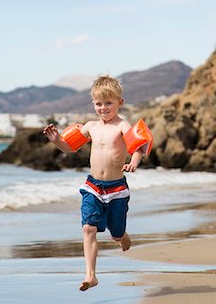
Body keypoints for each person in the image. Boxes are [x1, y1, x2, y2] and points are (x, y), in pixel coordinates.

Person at [43, 75, 148, 291]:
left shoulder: (122, 125)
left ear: (120, 102)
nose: (103, 108)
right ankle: (91, 275)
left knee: (116, 231)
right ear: (93, 104)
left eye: (108, 103)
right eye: (98, 103)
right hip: (93, 187)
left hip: (117, 188)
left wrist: (133, 163)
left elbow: (137, 147)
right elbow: (69, 147)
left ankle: (122, 236)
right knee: (88, 227)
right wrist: (56, 141)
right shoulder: (90, 126)